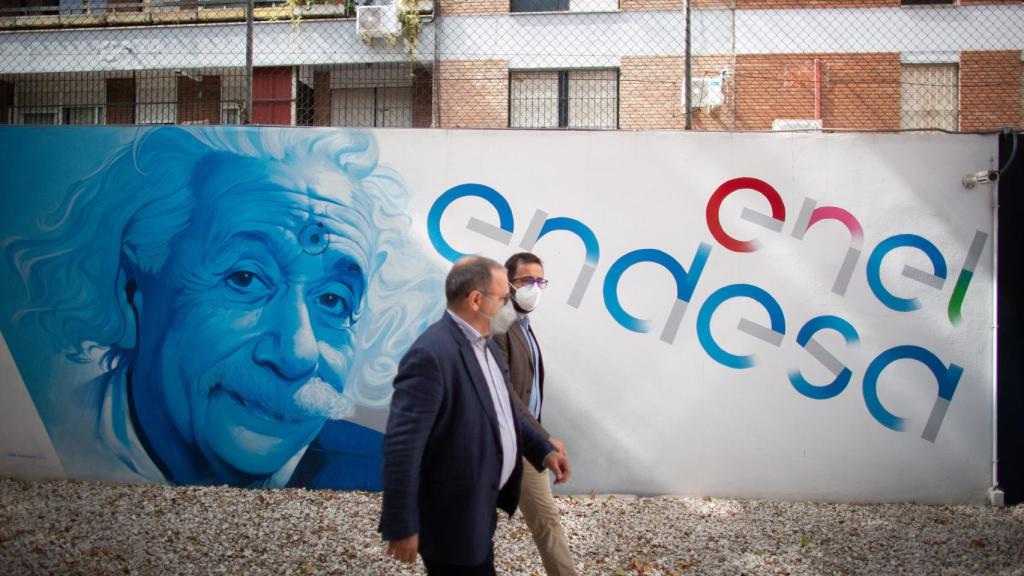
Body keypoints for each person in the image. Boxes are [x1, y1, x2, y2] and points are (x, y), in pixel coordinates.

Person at [3, 126, 442, 487]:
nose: (297, 353)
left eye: (332, 300)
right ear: (130, 291)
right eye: (244, 279)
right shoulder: (49, 433)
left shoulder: (384, 470)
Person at [380, 256, 572, 575]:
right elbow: (402, 447)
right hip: (450, 518)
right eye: (503, 297)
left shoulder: (486, 347)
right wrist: (401, 524)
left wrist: (543, 449)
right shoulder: (431, 354)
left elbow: (506, 408)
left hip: (477, 512)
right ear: (475, 300)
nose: (509, 304)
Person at [492, 252, 577, 576]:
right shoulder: (497, 325)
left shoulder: (523, 325)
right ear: (508, 283)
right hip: (494, 443)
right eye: (526, 280)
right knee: (469, 529)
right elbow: (503, 393)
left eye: (540, 281)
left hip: (526, 443)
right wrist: (543, 438)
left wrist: (538, 439)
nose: (534, 288)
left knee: (547, 521)